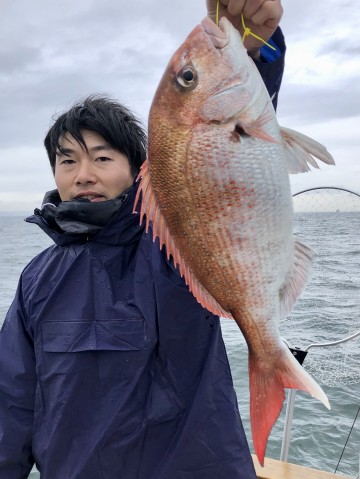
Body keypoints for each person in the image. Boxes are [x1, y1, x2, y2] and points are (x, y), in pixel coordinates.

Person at [0, 1, 285, 478]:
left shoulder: (171, 249)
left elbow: (229, 156)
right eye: (68, 160)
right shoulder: (36, 279)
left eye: (102, 158)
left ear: (138, 171)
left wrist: (257, 52)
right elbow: (11, 400)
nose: (83, 174)